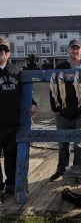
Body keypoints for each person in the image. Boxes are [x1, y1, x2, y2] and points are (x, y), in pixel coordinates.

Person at [49, 39, 81, 182]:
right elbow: (53, 88)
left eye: (77, 48)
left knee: (79, 144)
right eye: (72, 48)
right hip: (62, 112)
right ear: (68, 50)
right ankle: (61, 170)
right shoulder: (61, 67)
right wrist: (54, 107)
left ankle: (79, 172)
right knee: (63, 144)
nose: (75, 51)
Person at [0, 37, 37, 196]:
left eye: (5, 50)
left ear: (9, 53)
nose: (2, 53)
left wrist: (33, 103)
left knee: (11, 155)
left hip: (12, 123)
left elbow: (26, 93)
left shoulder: (17, 71)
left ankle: (11, 184)